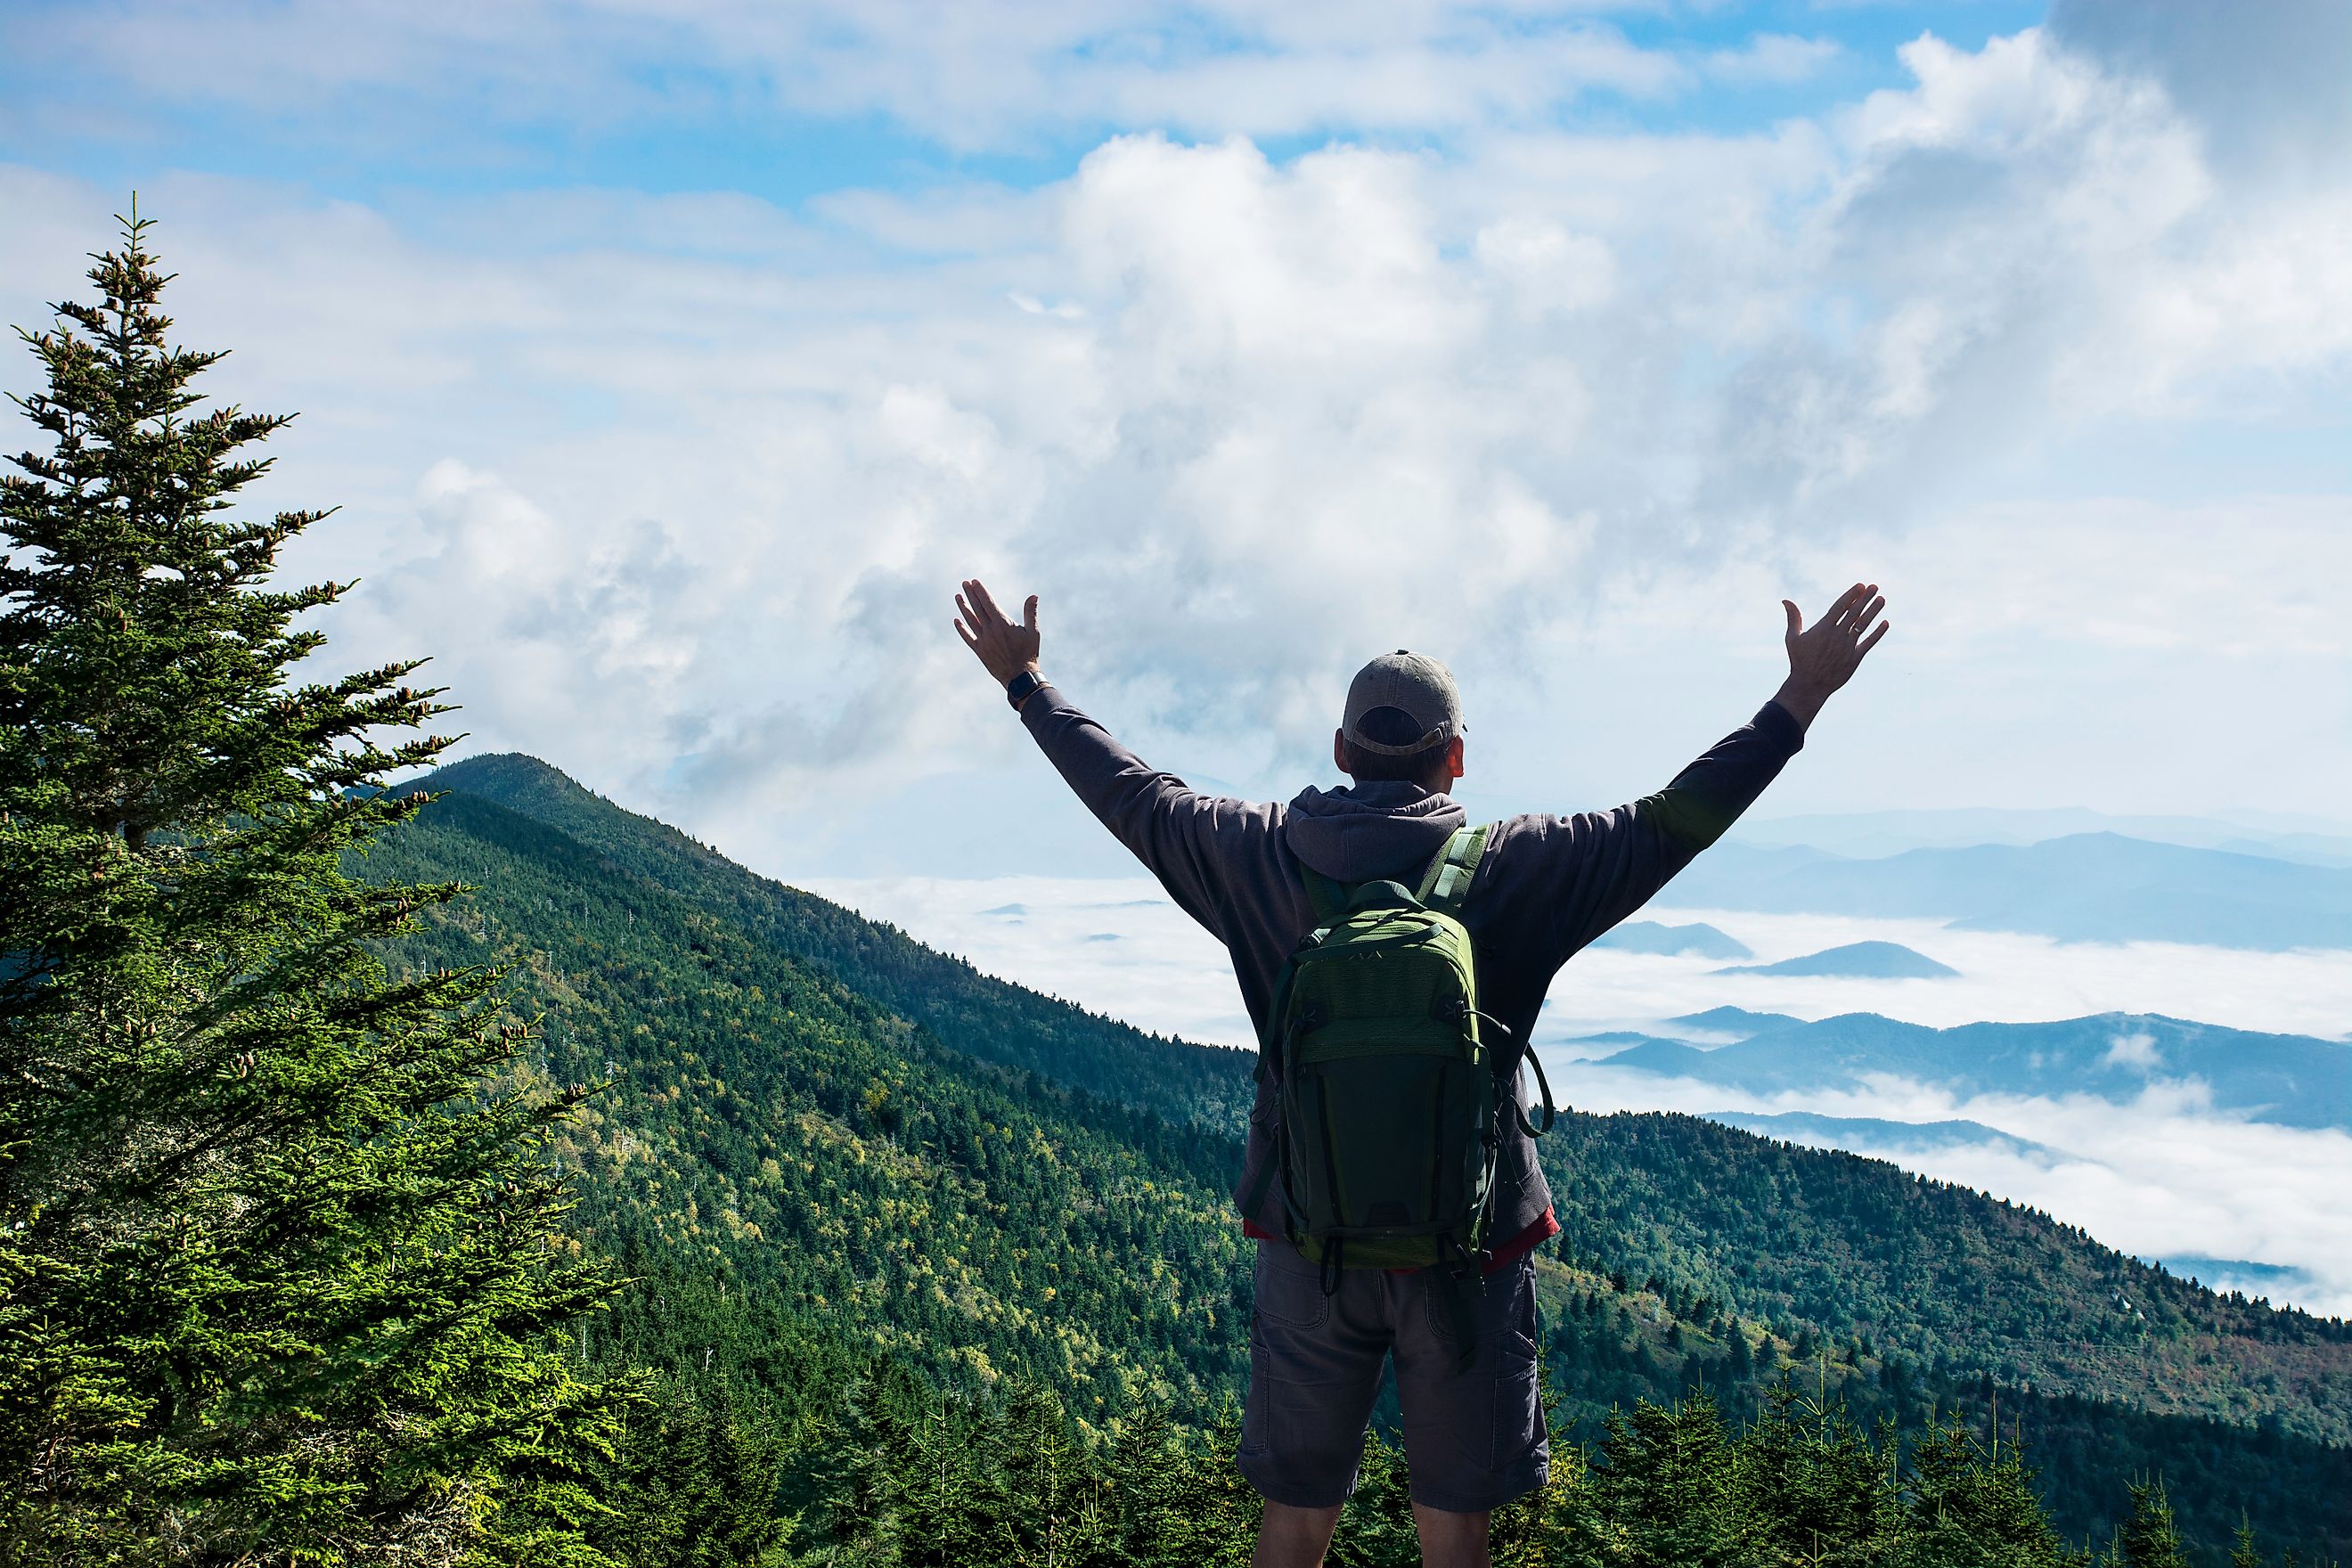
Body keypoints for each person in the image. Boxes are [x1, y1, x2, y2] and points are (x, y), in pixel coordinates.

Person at [951, 576, 1890, 1568]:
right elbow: (1673, 821)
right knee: (1455, 1530)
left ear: (1343, 753)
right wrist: (1798, 703)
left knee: (1297, 1517)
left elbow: (1132, 793)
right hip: (1470, 1251)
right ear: (1456, 758)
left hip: (1309, 1238)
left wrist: (1027, 683)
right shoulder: (1526, 863)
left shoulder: (1254, 851)